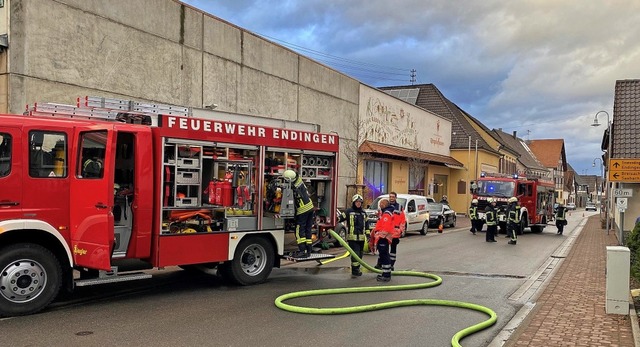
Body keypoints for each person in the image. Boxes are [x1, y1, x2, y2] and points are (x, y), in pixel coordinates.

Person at [283, 169, 315, 257]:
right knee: (307, 229)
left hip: (303, 210)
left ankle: (302, 251)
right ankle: (309, 249)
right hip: (310, 208)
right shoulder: (299, 180)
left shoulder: (294, 188)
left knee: (299, 230)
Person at [338, 194, 368, 277]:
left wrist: (368, 235)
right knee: (355, 254)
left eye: (360, 202)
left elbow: (367, 224)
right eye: (357, 202)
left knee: (360, 254)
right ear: (354, 202)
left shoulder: (363, 213)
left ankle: (357, 268)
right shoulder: (348, 211)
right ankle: (355, 270)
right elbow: (340, 218)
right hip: (352, 238)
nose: (358, 204)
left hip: (361, 238)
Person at [372, 198, 395, 282]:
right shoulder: (385, 213)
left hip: (383, 238)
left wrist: (380, 236)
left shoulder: (386, 214)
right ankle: (385, 273)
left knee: (384, 256)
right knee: (384, 255)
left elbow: (385, 227)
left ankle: (386, 275)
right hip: (383, 238)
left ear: (385, 204)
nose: (380, 205)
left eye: (382, 203)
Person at [388, 191, 403, 271]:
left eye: (393, 197)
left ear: (395, 198)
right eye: (390, 197)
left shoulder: (399, 207)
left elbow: (402, 220)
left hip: (395, 232)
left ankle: (392, 264)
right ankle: (384, 263)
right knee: (384, 249)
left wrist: (401, 230)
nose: (391, 198)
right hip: (387, 232)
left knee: (393, 250)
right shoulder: (386, 206)